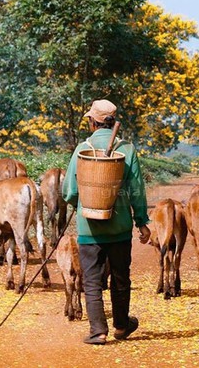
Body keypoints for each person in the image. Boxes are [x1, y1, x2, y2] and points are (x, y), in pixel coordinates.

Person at [62, 99, 151, 345]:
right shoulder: (128, 149)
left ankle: (98, 332)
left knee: (91, 280)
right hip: (120, 228)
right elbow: (137, 189)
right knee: (121, 278)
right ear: (113, 123)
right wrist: (141, 221)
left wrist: (83, 203)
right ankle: (121, 326)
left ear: (93, 122)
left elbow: (69, 191)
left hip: (89, 229)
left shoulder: (82, 148)